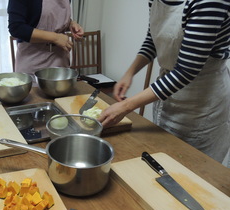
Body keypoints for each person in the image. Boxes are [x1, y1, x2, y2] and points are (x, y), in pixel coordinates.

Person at [98, 0, 230, 165]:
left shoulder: (208, 2)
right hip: (167, 93)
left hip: (202, 103)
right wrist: (129, 74)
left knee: (193, 171)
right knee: (164, 160)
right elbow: (152, 40)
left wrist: (126, 106)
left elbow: (186, 70)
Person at [7, 0, 84, 75]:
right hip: (33, 60)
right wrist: (55, 38)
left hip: (60, 60)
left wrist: (70, 23)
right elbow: (16, 28)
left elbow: (53, 19)